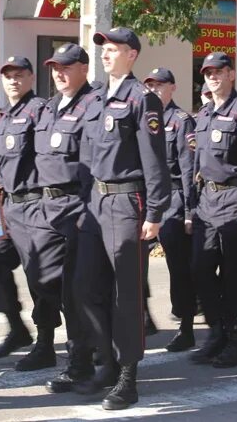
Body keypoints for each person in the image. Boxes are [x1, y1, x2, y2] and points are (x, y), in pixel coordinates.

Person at [74, 28, 170, 410]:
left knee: (125, 294)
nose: (106, 55)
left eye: (113, 50)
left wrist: (156, 212)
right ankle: (108, 359)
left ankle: (128, 375)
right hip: (96, 203)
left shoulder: (141, 101)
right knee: (84, 287)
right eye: (103, 50)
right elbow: (86, 155)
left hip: (127, 203)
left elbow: (154, 161)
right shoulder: (96, 98)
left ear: (132, 55)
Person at [28, 43, 101, 393]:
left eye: (67, 67)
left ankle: (81, 364)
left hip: (77, 207)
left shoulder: (93, 106)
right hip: (46, 207)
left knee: (76, 290)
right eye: (55, 67)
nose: (59, 73)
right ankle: (92, 340)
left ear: (84, 68)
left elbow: (96, 162)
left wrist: (90, 209)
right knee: (39, 275)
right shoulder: (48, 108)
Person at [0, 55, 62, 371]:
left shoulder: (40, 111)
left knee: (39, 277)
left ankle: (46, 343)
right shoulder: (4, 117)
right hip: (9, 207)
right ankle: (16, 327)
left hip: (35, 205)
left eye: (19, 75)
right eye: (8, 76)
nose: (13, 81)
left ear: (31, 78)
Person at [190, 53, 237, 368]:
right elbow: (196, 164)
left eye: (218, 72)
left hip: (234, 199)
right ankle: (216, 330)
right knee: (200, 269)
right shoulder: (204, 114)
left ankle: (236, 340)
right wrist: (191, 207)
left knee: (234, 274)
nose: (213, 77)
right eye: (208, 73)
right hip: (206, 201)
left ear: (231, 74)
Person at [142, 68, 198, 353]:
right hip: (145, 199)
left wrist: (189, 211)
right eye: (149, 85)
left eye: (159, 85)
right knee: (134, 262)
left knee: (178, 267)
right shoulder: (143, 118)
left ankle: (186, 326)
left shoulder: (180, 121)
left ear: (172, 88)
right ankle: (143, 315)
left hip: (173, 200)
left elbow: (188, 169)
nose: (153, 90)